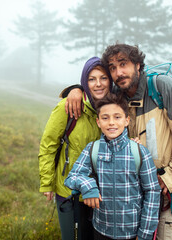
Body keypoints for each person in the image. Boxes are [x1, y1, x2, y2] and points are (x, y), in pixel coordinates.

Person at [63, 43, 172, 240]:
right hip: (133, 196)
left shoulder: (163, 88)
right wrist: (76, 90)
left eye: (123, 64)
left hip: (166, 192)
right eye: (112, 67)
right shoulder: (118, 97)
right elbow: (95, 90)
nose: (118, 72)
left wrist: (170, 179)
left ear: (138, 65)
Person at [64, 93, 161, 240]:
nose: (111, 122)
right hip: (101, 229)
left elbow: (152, 192)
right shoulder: (93, 149)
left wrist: (145, 233)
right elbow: (72, 177)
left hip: (132, 232)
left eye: (117, 117)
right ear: (98, 122)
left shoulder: (140, 152)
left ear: (127, 120)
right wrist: (88, 187)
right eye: (105, 118)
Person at [38, 56, 112, 240]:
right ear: (84, 81)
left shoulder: (112, 109)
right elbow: (49, 145)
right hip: (70, 193)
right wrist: (47, 182)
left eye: (103, 78)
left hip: (101, 194)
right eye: (91, 79)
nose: (98, 84)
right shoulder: (68, 106)